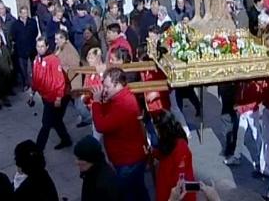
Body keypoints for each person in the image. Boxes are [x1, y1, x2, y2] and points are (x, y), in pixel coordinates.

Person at [90, 67, 149, 201]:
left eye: (107, 87)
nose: (104, 90)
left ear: (117, 85)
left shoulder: (123, 104)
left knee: (127, 194)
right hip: (131, 158)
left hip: (128, 161)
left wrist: (96, 103)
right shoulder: (121, 98)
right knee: (139, 191)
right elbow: (109, 114)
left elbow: (101, 126)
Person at [29, 37, 72, 151]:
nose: (40, 49)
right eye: (38, 46)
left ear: (47, 47)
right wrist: (32, 92)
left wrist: (58, 98)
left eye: (42, 46)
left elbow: (59, 80)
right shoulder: (36, 59)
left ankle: (38, 150)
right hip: (45, 95)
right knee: (56, 121)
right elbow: (36, 77)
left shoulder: (53, 60)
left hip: (54, 96)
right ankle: (66, 140)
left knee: (46, 124)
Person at [152, 111, 196, 201]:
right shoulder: (167, 140)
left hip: (175, 192)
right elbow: (162, 153)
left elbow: (180, 178)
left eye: (157, 129)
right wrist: (153, 152)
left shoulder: (180, 146)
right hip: (166, 185)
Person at [74, 135, 120, 201]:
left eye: (79, 159)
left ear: (90, 159)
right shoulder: (92, 172)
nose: (76, 162)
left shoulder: (103, 184)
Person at [10, 6, 39, 91]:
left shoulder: (32, 22)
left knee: (34, 67)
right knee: (23, 69)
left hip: (32, 48)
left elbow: (36, 33)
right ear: (20, 14)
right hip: (21, 49)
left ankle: (36, 83)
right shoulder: (15, 24)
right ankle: (25, 84)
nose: (25, 15)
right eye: (23, 13)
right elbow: (13, 36)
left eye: (26, 13)